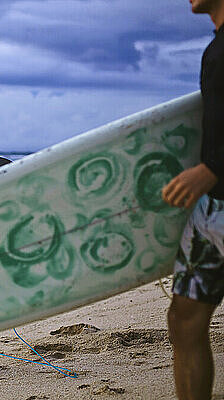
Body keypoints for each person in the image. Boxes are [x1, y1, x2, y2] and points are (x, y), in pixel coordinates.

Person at [161, 0, 224, 398]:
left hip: (215, 189)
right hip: (212, 210)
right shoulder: (216, 47)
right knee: (184, 320)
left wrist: (213, 167)